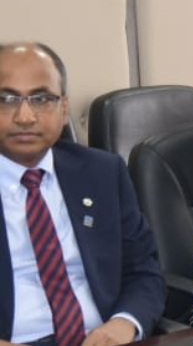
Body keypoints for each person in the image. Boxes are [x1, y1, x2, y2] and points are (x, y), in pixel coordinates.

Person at [0, 43, 164, 345]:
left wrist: (123, 324)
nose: (25, 116)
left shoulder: (101, 172)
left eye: (41, 99)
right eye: (7, 99)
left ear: (63, 109)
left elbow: (144, 272)